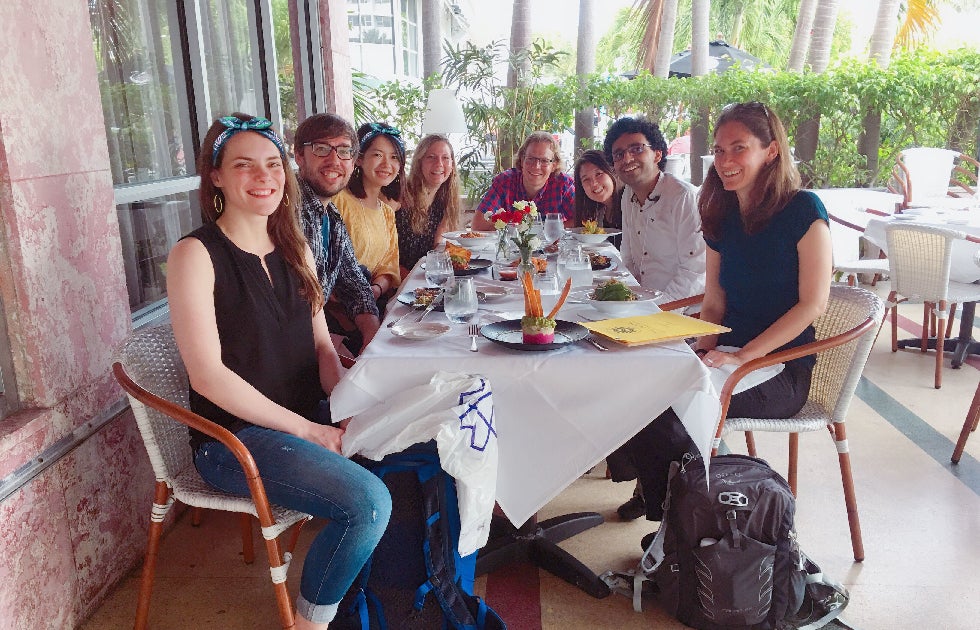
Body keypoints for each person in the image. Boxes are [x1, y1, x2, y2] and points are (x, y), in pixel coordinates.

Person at [167, 113, 392, 629]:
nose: (263, 176)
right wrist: (310, 430)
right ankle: (312, 622)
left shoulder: (295, 248)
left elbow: (322, 348)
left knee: (416, 447)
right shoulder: (195, 255)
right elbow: (207, 377)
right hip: (234, 441)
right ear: (216, 175)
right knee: (367, 504)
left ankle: (381, 592)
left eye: (272, 164)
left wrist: (347, 404)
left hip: (305, 416)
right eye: (243, 165)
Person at [609, 102, 832, 546]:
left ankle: (686, 532)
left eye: (739, 148)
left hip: (781, 367)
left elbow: (813, 305)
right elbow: (713, 303)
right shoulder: (721, 214)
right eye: (720, 149)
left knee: (669, 412)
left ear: (771, 151)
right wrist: (701, 347)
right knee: (635, 386)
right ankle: (673, 524)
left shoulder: (803, 209)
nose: (726, 160)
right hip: (727, 354)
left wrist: (743, 355)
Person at [294, 113, 381, 355]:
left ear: (353, 162)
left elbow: (353, 282)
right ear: (299, 155)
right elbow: (292, 309)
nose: (334, 160)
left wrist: (371, 334)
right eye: (321, 149)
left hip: (319, 341)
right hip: (294, 353)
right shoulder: (287, 211)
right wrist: (333, 350)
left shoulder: (331, 215)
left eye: (344, 151)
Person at [604, 117, 705, 302]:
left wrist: (657, 309)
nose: (627, 158)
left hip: (682, 309)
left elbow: (694, 272)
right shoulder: (628, 195)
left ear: (657, 154)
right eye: (618, 154)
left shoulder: (683, 197)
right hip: (643, 302)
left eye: (637, 149)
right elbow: (628, 256)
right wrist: (628, 298)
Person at [332, 122, 404, 307]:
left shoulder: (387, 213)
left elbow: (389, 267)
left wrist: (376, 289)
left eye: (394, 157)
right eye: (377, 155)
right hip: (336, 306)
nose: (387, 164)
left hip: (374, 301)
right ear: (359, 159)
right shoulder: (338, 201)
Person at [472, 131, 575, 229]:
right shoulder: (505, 182)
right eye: (531, 159)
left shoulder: (563, 185)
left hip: (552, 242)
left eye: (544, 161)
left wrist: (544, 230)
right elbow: (478, 224)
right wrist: (521, 228)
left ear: (554, 165)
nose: (536, 166)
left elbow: (580, 220)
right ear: (522, 160)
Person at [396, 134, 463, 274]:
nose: (439, 164)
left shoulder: (445, 200)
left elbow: (438, 247)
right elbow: (384, 256)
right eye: (431, 157)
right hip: (398, 278)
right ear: (419, 162)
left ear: (452, 164)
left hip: (425, 276)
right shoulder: (401, 196)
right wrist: (411, 280)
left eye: (445, 158)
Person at [573, 149, 623, 231]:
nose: (594, 183)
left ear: (612, 171)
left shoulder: (632, 203)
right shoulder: (597, 213)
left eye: (598, 174)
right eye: (586, 179)